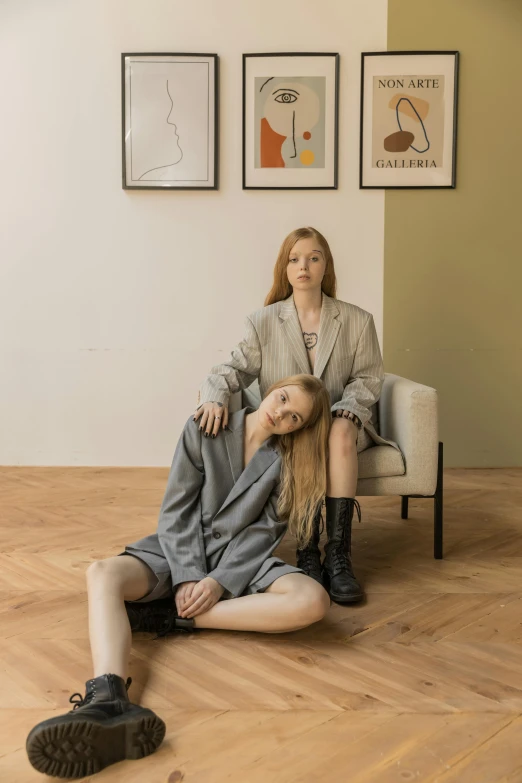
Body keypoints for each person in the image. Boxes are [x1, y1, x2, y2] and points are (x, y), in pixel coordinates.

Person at [26, 374, 332, 779]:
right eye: (282, 399)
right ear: (274, 387)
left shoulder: (287, 462)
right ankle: (108, 697)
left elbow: (265, 532)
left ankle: (167, 617)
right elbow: (176, 510)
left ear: (300, 428)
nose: (281, 414)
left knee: (313, 600)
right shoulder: (206, 426)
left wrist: (218, 581)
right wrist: (188, 575)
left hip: (241, 560)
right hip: (177, 550)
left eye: (294, 417)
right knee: (102, 573)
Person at [195, 226, 401, 605]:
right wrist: (213, 396)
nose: (303, 265)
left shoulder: (357, 320)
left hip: (344, 422)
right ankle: (307, 549)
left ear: (326, 266)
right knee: (302, 433)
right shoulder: (263, 321)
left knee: (337, 432)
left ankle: (338, 554)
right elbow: (232, 369)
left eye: (313, 257)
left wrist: (347, 410)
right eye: (294, 258)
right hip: (291, 426)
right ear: (285, 269)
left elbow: (369, 377)